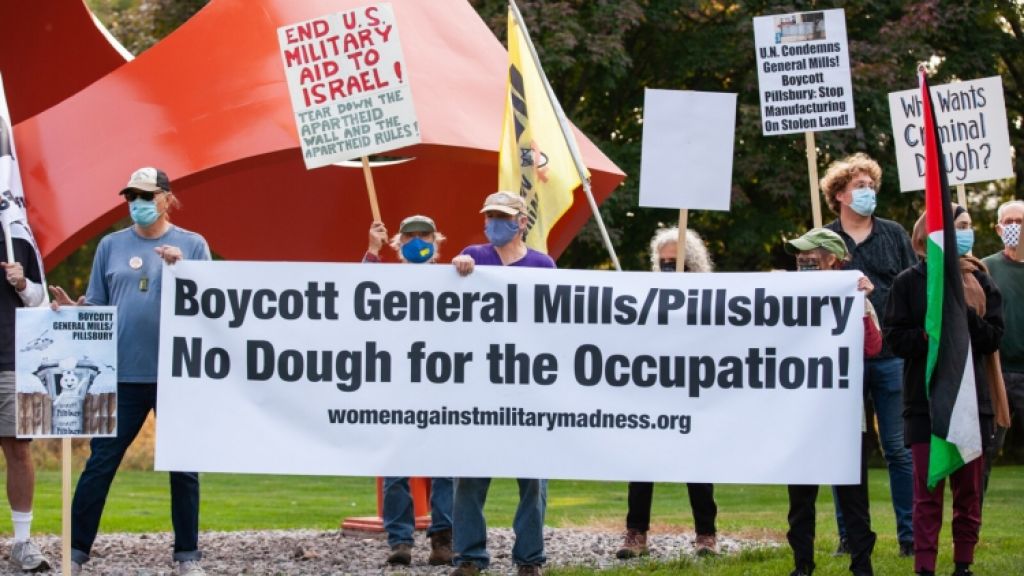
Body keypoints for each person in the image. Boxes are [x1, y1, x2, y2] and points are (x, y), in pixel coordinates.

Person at [49, 167, 211, 576]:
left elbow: (212, 304)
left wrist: (183, 270)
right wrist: (74, 311)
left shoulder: (192, 244)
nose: (137, 203)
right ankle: (75, 553)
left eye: (146, 196)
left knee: (184, 467)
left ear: (167, 198)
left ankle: (187, 557)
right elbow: (98, 307)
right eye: (131, 196)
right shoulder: (110, 245)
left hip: (177, 374)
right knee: (100, 463)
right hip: (121, 373)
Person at [884, 206, 1003, 576]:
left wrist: (962, 315)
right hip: (925, 405)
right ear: (932, 233)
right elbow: (895, 339)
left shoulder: (981, 282)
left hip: (971, 403)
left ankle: (963, 564)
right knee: (928, 493)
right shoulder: (908, 282)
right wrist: (930, 334)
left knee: (968, 493)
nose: (964, 233)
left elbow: (993, 337)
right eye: (957, 226)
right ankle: (925, 565)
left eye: (968, 226)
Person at [449, 191, 555, 576]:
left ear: (521, 222)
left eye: (503, 217)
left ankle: (529, 559)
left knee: (532, 480)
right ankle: (469, 557)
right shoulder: (473, 257)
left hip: (528, 386)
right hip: (480, 386)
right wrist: (456, 267)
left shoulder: (543, 266)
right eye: (490, 216)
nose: (494, 223)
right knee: (469, 477)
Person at [821, 153, 917, 556]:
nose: (868, 192)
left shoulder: (894, 234)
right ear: (839, 195)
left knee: (898, 448)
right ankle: (851, 536)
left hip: (891, 356)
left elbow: (913, 286)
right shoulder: (822, 239)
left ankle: (910, 537)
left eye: (871, 185)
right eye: (860, 186)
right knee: (846, 449)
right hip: (842, 362)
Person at [615, 227, 719, 560]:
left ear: (693, 264)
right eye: (664, 263)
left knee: (697, 465)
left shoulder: (711, 298)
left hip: (692, 391)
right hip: (653, 391)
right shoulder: (646, 296)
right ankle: (636, 533)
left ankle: (706, 535)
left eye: (676, 262)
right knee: (641, 463)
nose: (669, 268)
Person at [782, 228, 879, 576]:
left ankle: (862, 565)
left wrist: (861, 303)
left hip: (844, 416)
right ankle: (802, 564)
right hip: (801, 415)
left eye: (810, 256)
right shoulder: (786, 296)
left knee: (853, 498)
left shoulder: (855, 297)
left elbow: (873, 347)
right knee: (800, 499)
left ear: (832, 260)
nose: (802, 261)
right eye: (799, 256)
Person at [363, 215, 454, 567]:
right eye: (410, 236)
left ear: (436, 241)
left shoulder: (452, 279)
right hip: (398, 387)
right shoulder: (389, 279)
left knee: (445, 468)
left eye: (424, 236)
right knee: (396, 469)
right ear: (398, 243)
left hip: (441, 387)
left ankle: (443, 538)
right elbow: (360, 293)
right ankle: (400, 540)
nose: (418, 241)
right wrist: (372, 251)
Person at [0, 224, 50, 572]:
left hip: (10, 359)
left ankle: (22, 542)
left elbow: (40, 300)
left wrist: (21, 283)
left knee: (18, 450)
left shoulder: (16, 236)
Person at [980, 200, 1024, 491]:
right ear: (998, 229)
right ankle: (972, 514)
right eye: (1009, 222)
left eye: (1020, 222)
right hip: (996, 372)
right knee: (986, 449)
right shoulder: (986, 267)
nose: (1015, 227)